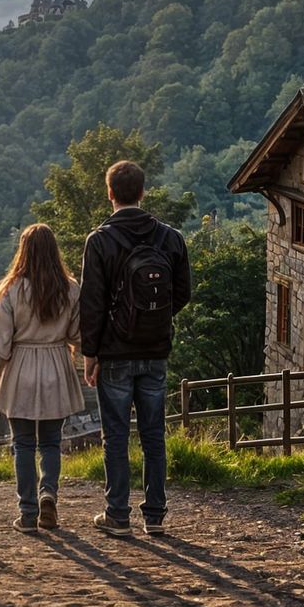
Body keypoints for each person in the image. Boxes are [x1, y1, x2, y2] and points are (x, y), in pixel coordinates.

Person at [75, 159, 192, 539]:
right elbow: (183, 292)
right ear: (143, 192)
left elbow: (91, 304)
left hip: (114, 352)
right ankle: (155, 516)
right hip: (156, 350)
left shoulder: (100, 241)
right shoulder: (170, 238)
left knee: (116, 436)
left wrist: (89, 354)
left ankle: (118, 514)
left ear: (110, 193)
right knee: (155, 435)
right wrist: (155, 319)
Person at [0, 222, 84, 534]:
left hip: (21, 367)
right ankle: (48, 495)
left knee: (23, 444)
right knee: (52, 442)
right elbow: (76, 334)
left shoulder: (13, 290)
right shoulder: (70, 288)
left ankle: (27, 512)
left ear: (23, 252)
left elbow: (1, 342)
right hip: (56, 364)